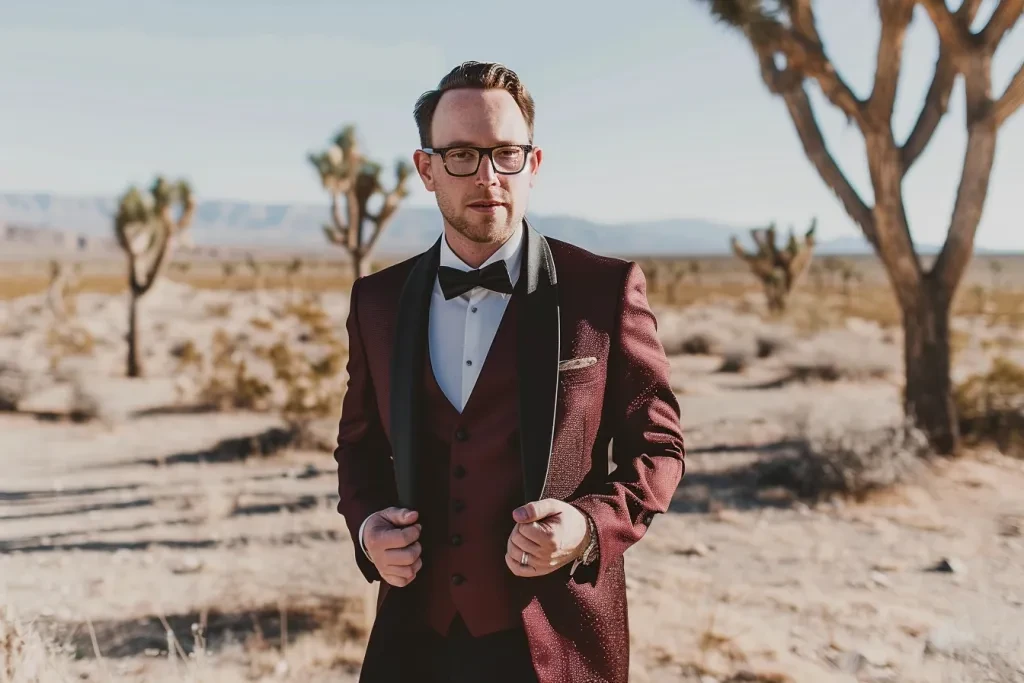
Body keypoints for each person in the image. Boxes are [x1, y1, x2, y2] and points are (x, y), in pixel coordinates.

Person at [333, 60, 685, 683]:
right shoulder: (378, 302)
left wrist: (587, 526)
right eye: (462, 154)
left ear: (535, 163)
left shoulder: (602, 289)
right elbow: (358, 450)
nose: (489, 176)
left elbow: (658, 447)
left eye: (506, 153)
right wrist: (368, 527)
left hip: (558, 639)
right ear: (426, 170)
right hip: (416, 640)